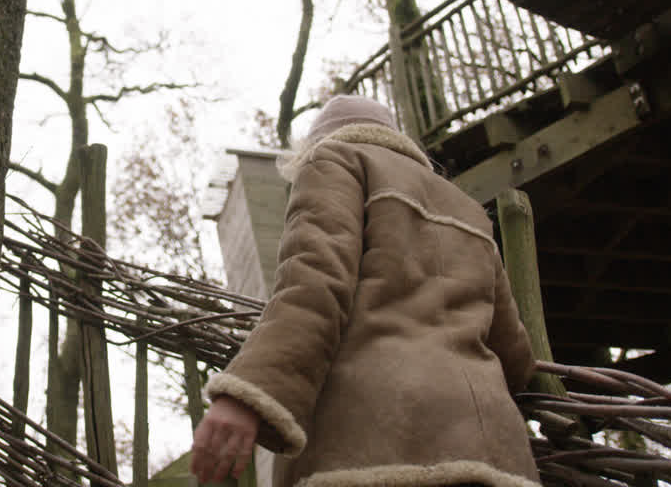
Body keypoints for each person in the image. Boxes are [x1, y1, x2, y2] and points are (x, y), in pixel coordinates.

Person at [192, 95, 541, 487]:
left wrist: (248, 392)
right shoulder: (472, 211)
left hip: (373, 444)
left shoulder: (334, 162)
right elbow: (516, 356)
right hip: (495, 455)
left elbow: (314, 284)